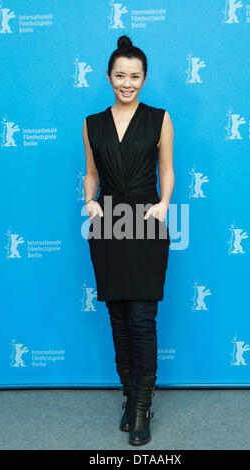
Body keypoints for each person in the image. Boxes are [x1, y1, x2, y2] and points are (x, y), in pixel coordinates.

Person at [82, 35, 174, 446]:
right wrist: (89, 201)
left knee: (141, 318)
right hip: (108, 223)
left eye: (134, 76)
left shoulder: (160, 118)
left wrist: (165, 204)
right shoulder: (92, 124)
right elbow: (91, 174)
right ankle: (128, 395)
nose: (127, 83)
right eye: (120, 75)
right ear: (108, 77)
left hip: (146, 220)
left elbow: (167, 170)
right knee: (118, 318)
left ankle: (142, 408)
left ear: (145, 78)